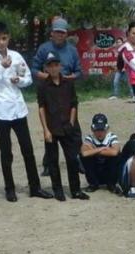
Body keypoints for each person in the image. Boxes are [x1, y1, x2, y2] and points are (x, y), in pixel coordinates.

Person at [0, 22, 53, 203]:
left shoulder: (16, 55)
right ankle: (10, 188)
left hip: (18, 109)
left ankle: (35, 187)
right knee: (6, 152)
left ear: (9, 38)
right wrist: (2, 67)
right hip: (1, 111)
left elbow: (28, 78)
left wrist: (19, 80)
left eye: (4, 38)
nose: (1, 42)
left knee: (28, 149)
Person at [37, 52, 88, 202]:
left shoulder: (68, 83)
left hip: (67, 126)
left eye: (56, 65)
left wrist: (71, 122)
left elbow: (74, 104)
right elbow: (41, 108)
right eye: (50, 66)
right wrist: (45, 130)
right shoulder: (43, 86)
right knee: (53, 161)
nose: (53, 68)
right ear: (46, 69)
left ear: (60, 66)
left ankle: (75, 190)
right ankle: (58, 190)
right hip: (52, 127)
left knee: (72, 159)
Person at [80, 113, 122, 193]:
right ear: (92, 129)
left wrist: (93, 150)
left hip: (108, 169)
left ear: (106, 129)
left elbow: (115, 152)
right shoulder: (89, 138)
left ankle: (111, 184)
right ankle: (93, 184)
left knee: (117, 156)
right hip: (95, 170)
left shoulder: (112, 137)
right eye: (97, 130)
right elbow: (84, 153)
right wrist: (102, 148)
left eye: (102, 130)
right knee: (85, 157)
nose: (99, 133)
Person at [30, 18, 82, 82]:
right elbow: (34, 70)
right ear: (52, 33)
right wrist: (49, 77)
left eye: (62, 32)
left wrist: (70, 77)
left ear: (66, 34)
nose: (60, 35)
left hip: (66, 83)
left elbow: (78, 72)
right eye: (57, 32)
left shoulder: (72, 50)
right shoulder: (44, 48)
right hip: (47, 84)